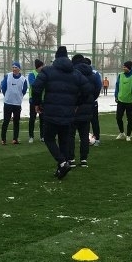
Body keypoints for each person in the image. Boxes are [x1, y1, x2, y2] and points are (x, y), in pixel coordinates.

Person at [31, 45, 93, 179]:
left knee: (49, 138)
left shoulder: (48, 71)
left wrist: (37, 103)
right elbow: (88, 90)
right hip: (68, 113)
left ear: (56, 57)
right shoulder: (76, 73)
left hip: (51, 112)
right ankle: (61, 168)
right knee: (64, 141)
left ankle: (62, 162)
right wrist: (77, 103)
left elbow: (36, 87)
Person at [70, 54, 102, 168]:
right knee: (84, 135)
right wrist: (91, 99)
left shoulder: (72, 73)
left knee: (70, 135)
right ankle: (84, 159)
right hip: (88, 107)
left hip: (74, 107)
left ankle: (71, 159)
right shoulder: (93, 74)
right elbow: (98, 88)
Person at [0, 61, 28, 144]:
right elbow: (3, 87)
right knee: (6, 121)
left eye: (16, 67)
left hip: (17, 104)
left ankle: (15, 139)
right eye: (13, 67)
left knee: (16, 122)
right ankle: (3, 139)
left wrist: (18, 97)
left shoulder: (23, 79)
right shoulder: (8, 76)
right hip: (8, 103)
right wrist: (7, 96)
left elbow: (24, 90)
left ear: (19, 69)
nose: (14, 69)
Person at [114, 61, 132, 141]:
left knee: (130, 119)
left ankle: (128, 135)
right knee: (118, 118)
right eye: (123, 67)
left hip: (130, 101)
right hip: (121, 100)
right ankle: (121, 132)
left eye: (125, 67)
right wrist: (116, 96)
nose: (123, 68)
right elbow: (117, 86)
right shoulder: (120, 75)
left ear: (129, 67)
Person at [27, 59, 44, 143]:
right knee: (32, 118)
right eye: (42, 66)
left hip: (42, 99)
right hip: (33, 99)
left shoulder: (44, 74)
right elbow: (33, 84)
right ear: (38, 67)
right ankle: (31, 136)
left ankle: (42, 136)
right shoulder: (31, 74)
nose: (43, 67)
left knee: (42, 119)